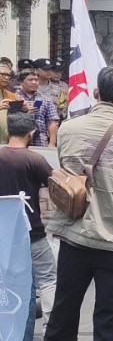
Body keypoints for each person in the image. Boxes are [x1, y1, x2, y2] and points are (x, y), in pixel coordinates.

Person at [45, 66, 113, 341]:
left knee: (63, 313)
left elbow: (66, 176)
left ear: (96, 92)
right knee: (109, 321)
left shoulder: (68, 129)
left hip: (74, 234)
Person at [0, 113, 57, 331]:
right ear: (31, 134)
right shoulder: (34, 160)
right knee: (48, 279)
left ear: (8, 132)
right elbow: (56, 186)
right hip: (31, 232)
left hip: (3, 235)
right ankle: (51, 329)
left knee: (7, 283)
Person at [15, 68, 58, 147]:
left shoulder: (45, 99)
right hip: (18, 141)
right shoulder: (14, 98)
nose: (34, 82)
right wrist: (25, 113)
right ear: (21, 82)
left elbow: (52, 121)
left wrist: (52, 143)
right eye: (30, 80)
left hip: (40, 142)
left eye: (36, 80)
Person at [0, 62, 21, 143]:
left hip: (7, 142)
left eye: (8, 75)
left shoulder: (11, 96)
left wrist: (24, 110)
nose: (6, 78)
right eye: (2, 74)